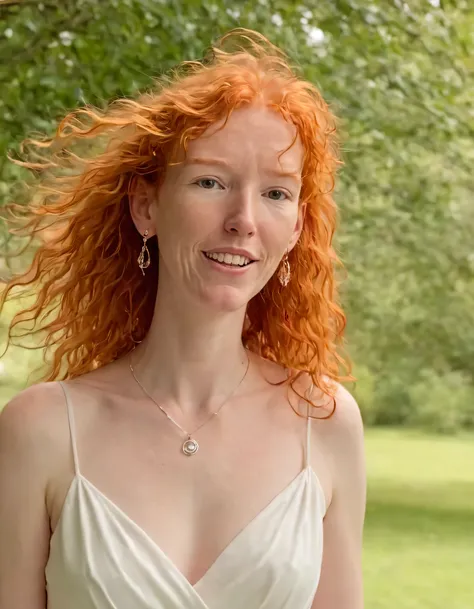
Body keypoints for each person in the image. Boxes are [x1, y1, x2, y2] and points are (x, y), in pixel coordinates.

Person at [0, 28, 366, 609]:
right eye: (210, 182)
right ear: (147, 206)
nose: (243, 219)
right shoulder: (40, 430)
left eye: (276, 194)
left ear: (297, 226)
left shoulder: (323, 423)